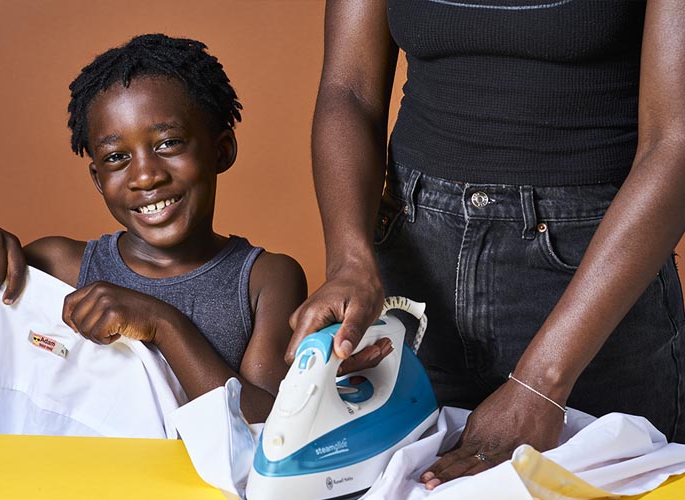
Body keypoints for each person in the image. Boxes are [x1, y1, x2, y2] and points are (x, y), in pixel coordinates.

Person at [287, 0, 685, 489]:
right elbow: (349, 89)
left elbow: (675, 141)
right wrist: (350, 258)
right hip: (414, 269)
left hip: (591, 284)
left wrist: (543, 381)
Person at [0, 33, 307, 425]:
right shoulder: (57, 265)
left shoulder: (263, 279)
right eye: (116, 158)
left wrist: (164, 324)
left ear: (222, 150)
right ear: (97, 179)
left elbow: (265, 431)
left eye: (167, 144)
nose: (145, 176)